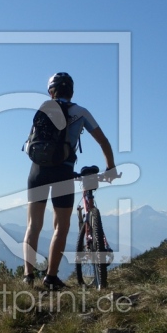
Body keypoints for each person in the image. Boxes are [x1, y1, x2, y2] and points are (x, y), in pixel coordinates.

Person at [23, 72, 117, 289]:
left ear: (51, 91)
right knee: (61, 227)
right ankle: (51, 278)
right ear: (71, 91)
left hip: (37, 171)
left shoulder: (43, 109)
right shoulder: (80, 112)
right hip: (63, 172)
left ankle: (28, 277)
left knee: (33, 225)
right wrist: (110, 168)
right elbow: (103, 141)